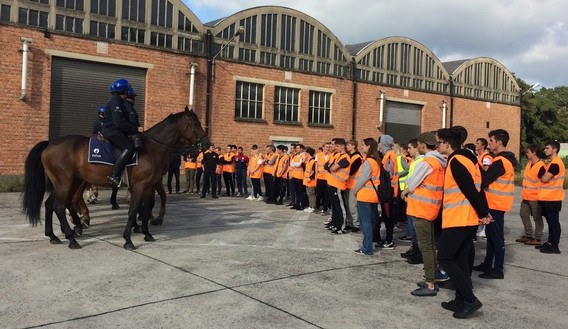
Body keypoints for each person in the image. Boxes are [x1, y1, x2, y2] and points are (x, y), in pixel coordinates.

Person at [436, 127, 492, 319]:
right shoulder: (469, 159)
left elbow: (469, 190)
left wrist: (484, 212)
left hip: (459, 218)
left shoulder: (456, 160)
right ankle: (460, 299)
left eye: (438, 142)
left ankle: (469, 299)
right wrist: (483, 212)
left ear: (447, 144)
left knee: (444, 257)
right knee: (460, 259)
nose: (437, 146)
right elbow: (479, 187)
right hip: (467, 218)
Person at [401, 132, 447, 296]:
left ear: (422, 145)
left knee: (426, 247)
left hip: (421, 209)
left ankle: (430, 284)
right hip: (430, 208)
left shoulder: (427, 162)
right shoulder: (440, 162)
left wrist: (404, 192)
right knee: (431, 246)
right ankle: (433, 277)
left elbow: (412, 182)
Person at [474, 129, 517, 280]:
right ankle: (487, 263)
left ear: (499, 142)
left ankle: (498, 269)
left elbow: (485, 179)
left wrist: (476, 168)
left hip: (496, 204)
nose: (489, 144)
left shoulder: (500, 161)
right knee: (492, 236)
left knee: (496, 238)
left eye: (491, 141)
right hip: (495, 203)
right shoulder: (502, 160)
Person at [103, 78, 140, 187]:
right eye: (127, 89)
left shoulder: (117, 100)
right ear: (124, 90)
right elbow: (119, 123)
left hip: (114, 130)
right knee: (129, 148)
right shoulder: (116, 101)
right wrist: (136, 129)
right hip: (112, 131)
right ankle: (114, 175)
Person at [352, 137, 382, 255]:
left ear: (368, 147)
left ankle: (367, 247)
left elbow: (362, 179)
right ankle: (370, 243)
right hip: (372, 195)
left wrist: (354, 190)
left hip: (365, 196)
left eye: (363, 145)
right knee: (370, 221)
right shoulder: (375, 160)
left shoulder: (369, 162)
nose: (361, 147)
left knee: (365, 222)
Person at [537, 141, 565, 254]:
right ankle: (550, 243)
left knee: (554, 223)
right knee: (551, 222)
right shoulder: (552, 163)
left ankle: (554, 246)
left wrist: (542, 175)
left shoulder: (555, 164)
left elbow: (544, 179)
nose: (545, 150)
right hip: (549, 198)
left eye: (547, 148)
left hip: (553, 198)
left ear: (554, 150)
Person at [516, 144, 544, 245]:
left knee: (537, 218)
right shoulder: (529, 164)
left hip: (535, 197)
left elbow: (544, 181)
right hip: (526, 196)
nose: (526, 153)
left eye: (528, 152)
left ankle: (537, 238)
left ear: (534, 152)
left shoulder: (541, 166)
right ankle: (528, 235)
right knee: (523, 214)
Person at [326, 138, 350, 234]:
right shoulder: (338, 156)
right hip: (333, 183)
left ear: (343, 146)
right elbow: (328, 166)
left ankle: (342, 226)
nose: (335, 148)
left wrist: (332, 167)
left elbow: (333, 168)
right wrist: (331, 167)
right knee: (335, 206)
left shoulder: (345, 157)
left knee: (340, 207)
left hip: (339, 185)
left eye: (337, 146)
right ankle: (336, 224)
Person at [344, 139, 362, 232]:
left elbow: (351, 171)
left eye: (348, 145)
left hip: (353, 185)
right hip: (348, 184)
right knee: (348, 205)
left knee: (352, 205)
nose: (347, 147)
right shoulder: (350, 156)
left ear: (353, 146)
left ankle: (355, 224)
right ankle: (350, 223)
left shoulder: (357, 157)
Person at [302, 147, 317, 213]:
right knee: (309, 194)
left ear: (308, 153)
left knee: (311, 194)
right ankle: (310, 206)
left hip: (311, 181)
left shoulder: (313, 161)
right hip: (307, 181)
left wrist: (310, 178)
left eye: (306, 153)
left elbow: (314, 171)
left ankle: (313, 207)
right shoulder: (308, 161)